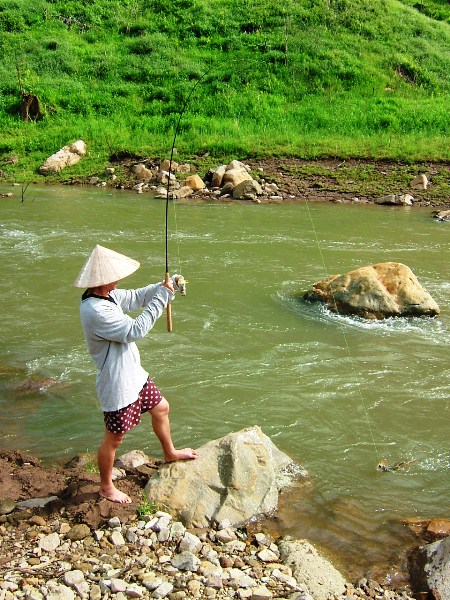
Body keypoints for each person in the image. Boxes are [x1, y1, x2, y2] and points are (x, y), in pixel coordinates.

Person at [74, 244, 198, 504]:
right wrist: (162, 299)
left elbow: (139, 297)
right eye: (114, 277)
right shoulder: (96, 310)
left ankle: (170, 452)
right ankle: (106, 487)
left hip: (134, 374)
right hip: (117, 382)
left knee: (161, 408)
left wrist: (166, 284)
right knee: (115, 437)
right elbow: (134, 330)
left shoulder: (108, 295)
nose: (118, 280)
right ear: (103, 280)